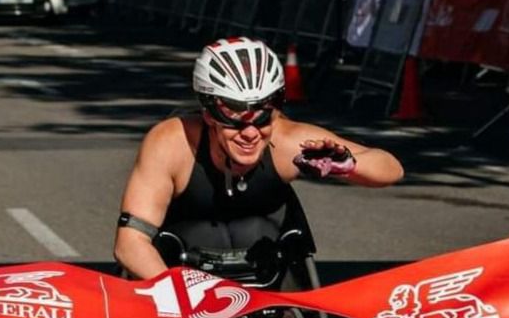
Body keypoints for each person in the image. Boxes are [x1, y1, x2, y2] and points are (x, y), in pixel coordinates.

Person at [114, 37, 404, 280]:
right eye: (236, 121)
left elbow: (392, 169)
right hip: (184, 254)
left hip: (264, 250)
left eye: (263, 117)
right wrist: (170, 293)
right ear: (208, 114)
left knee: (264, 231)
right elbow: (130, 243)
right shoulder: (171, 143)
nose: (250, 133)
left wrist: (352, 166)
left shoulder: (287, 140)